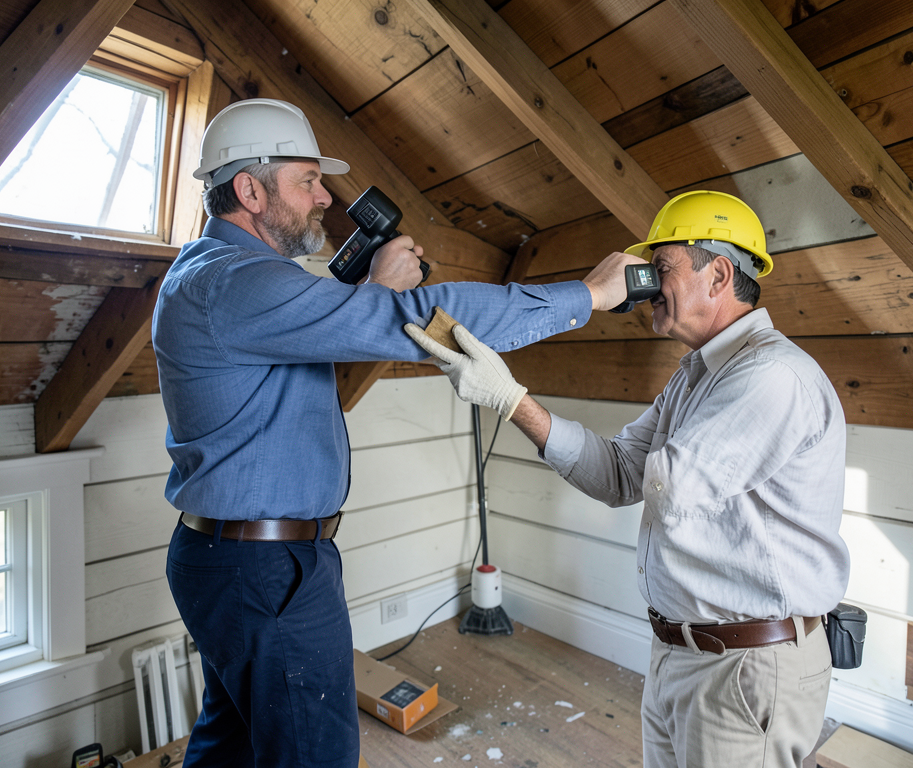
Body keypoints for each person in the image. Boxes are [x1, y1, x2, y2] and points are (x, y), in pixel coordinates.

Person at [152, 97, 640, 768]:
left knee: (230, 744)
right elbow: (422, 316)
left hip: (238, 563)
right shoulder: (236, 284)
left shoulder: (213, 275)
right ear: (249, 190)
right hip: (267, 571)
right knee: (311, 754)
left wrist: (366, 291)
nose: (326, 196)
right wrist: (587, 296)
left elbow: (307, 343)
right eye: (307, 181)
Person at [405, 191, 851, 768]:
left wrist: (585, 301)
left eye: (659, 269)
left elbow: (671, 489)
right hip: (682, 652)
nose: (643, 287)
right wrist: (510, 398)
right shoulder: (696, 375)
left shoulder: (772, 375)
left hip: (746, 668)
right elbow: (619, 474)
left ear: (718, 274)